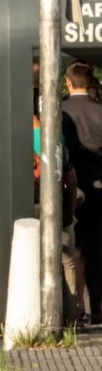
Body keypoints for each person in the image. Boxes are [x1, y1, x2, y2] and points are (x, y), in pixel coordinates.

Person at [61, 62, 102, 323]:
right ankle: (98, 307)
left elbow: (64, 155)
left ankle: (83, 308)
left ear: (68, 82)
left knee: (79, 250)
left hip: (79, 190)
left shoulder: (61, 111)